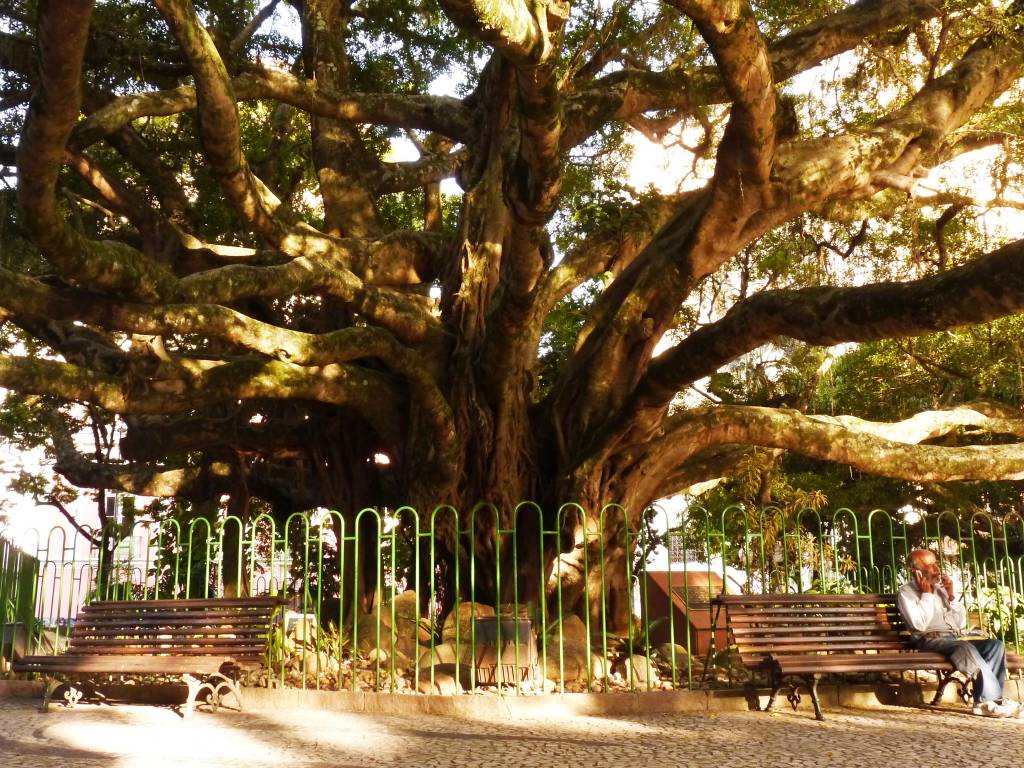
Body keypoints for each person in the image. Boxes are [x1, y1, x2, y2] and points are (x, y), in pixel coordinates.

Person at [897, 548, 1020, 718]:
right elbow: (919, 625)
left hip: (953, 637)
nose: (937, 568)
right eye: (930, 565)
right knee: (964, 647)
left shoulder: (941, 588)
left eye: (936, 563)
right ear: (915, 571)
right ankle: (993, 701)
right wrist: (927, 594)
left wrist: (952, 596)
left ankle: (984, 701)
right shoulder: (906, 593)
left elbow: (960, 623)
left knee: (995, 645)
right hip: (929, 641)